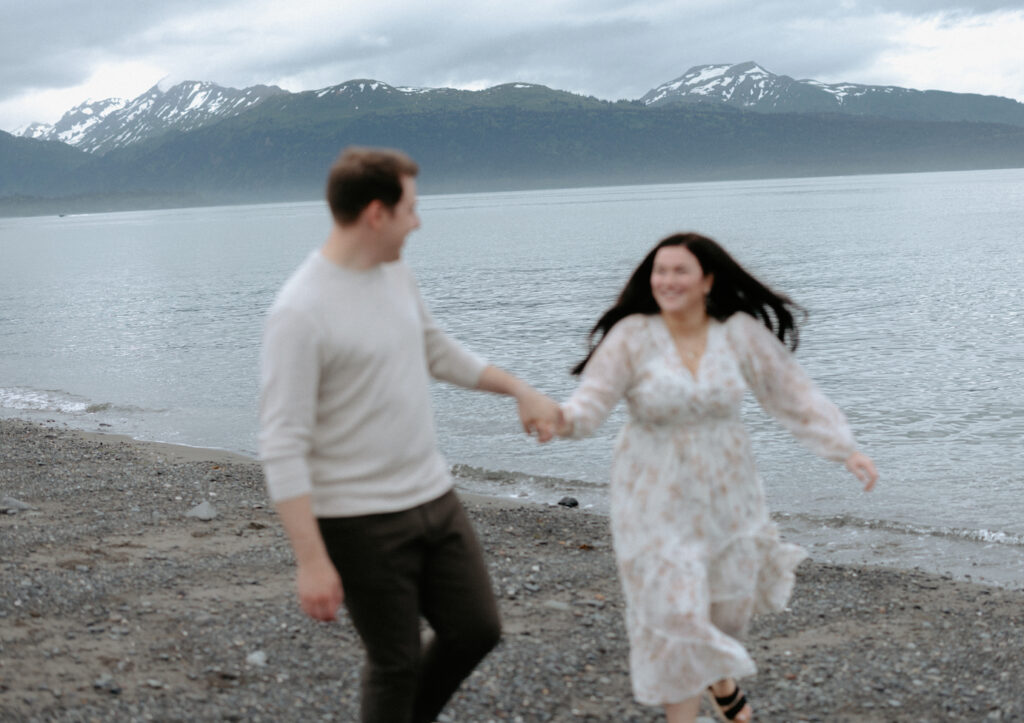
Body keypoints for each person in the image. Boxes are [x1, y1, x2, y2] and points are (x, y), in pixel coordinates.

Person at [258, 146, 560, 723]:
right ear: (377, 213)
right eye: (411, 210)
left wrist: (519, 389)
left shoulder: (394, 272)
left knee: (476, 630)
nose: (418, 222)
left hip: (433, 497)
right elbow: (281, 442)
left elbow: (434, 349)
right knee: (394, 663)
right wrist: (311, 560)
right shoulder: (299, 312)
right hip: (358, 520)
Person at [542, 232, 878, 723]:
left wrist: (844, 448)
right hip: (652, 493)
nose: (667, 280)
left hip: (729, 493)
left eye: (680, 271)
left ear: (707, 280)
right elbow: (589, 406)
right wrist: (557, 419)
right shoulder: (633, 335)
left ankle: (721, 679)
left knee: (725, 610)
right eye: (660, 271)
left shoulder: (737, 332)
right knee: (674, 612)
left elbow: (791, 394)